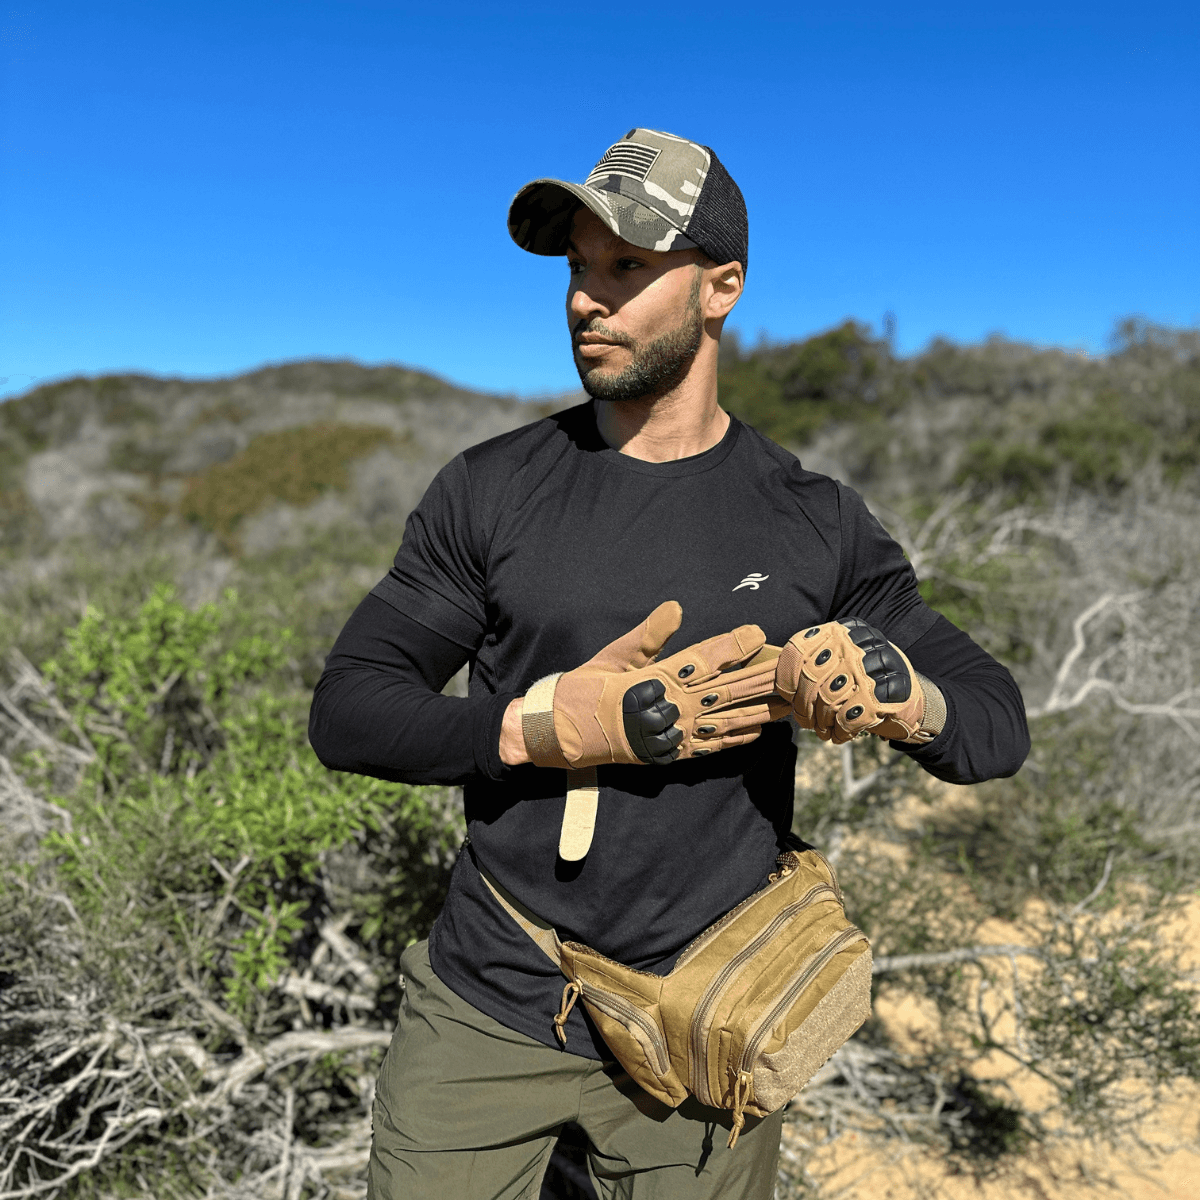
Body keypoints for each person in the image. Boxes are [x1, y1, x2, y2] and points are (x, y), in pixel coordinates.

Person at [308, 127, 1030, 1200]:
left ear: (720, 287)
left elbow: (993, 726)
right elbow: (351, 710)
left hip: (707, 1024)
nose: (587, 301)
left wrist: (895, 691)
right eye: (578, 269)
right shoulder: (492, 489)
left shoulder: (814, 523)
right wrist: (550, 725)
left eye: (628, 269)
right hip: (491, 1007)